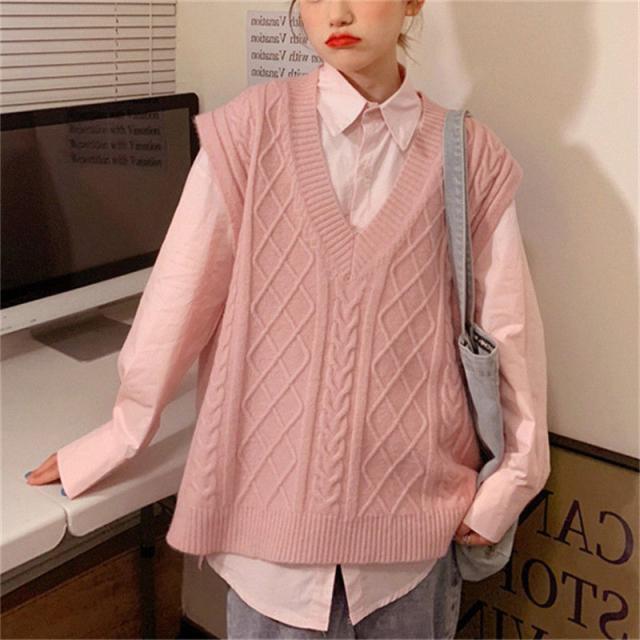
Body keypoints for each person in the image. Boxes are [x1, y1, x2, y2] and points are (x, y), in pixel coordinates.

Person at [26, 0, 551, 637]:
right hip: (269, 549)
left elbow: (509, 333)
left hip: (413, 545)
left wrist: (513, 482)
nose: (339, 12)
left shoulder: (468, 156)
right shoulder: (250, 132)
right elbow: (176, 303)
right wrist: (114, 440)